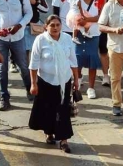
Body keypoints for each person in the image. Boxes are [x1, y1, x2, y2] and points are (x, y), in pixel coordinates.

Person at [29, 15, 79, 153]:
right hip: (45, 81)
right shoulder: (40, 40)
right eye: (52, 25)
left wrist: (76, 80)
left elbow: (73, 61)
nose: (55, 28)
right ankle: (49, 133)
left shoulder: (67, 39)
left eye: (57, 25)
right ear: (46, 26)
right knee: (48, 109)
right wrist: (34, 84)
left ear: (61, 26)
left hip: (64, 80)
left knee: (62, 111)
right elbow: (33, 64)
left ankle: (64, 140)